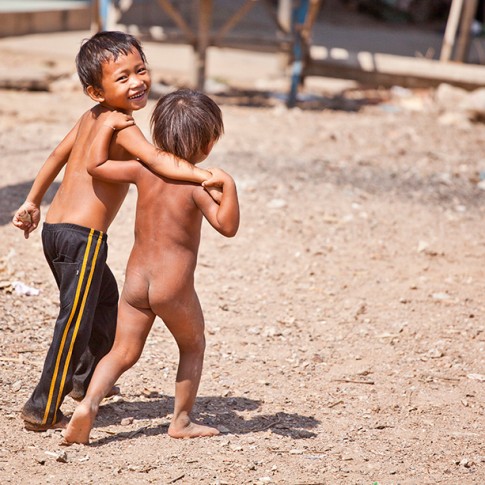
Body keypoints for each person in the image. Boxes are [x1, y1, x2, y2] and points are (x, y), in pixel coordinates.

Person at [11, 32, 221, 432]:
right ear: (96, 90)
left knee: (105, 303)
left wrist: (32, 201)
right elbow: (158, 160)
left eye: (140, 70)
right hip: (84, 238)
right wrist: (203, 174)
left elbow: (56, 156)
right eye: (122, 78)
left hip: (55, 231)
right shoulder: (123, 125)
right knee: (74, 321)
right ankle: (43, 405)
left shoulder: (90, 118)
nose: (137, 82)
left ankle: (83, 382)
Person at [62, 88, 239, 445]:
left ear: (158, 134)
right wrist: (229, 186)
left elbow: (96, 165)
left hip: (136, 280)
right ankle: (181, 421)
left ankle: (89, 405)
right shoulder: (197, 182)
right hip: (172, 286)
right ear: (209, 143)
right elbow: (228, 226)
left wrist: (108, 129)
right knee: (193, 345)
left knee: (123, 351)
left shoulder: (144, 170)